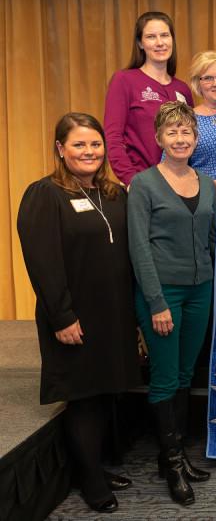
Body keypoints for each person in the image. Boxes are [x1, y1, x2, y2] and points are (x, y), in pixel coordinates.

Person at [17, 113, 141, 513]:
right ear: (60, 149)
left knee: (106, 393)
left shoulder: (114, 193)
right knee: (84, 399)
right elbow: (43, 263)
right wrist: (62, 317)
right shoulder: (44, 194)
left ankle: (95, 467)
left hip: (114, 313)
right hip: (75, 315)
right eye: (79, 145)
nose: (89, 152)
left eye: (95, 144)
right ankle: (90, 481)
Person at [128, 102, 216, 506]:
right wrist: (156, 301)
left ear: (196, 139)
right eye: (172, 132)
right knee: (164, 377)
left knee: (184, 374)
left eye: (187, 132)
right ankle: (173, 463)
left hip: (202, 291)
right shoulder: (143, 184)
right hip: (163, 294)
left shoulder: (205, 180)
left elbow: (214, 239)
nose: (180, 139)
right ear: (159, 139)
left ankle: (174, 456)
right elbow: (139, 249)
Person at [105, 11, 193, 185]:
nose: (160, 42)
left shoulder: (182, 88)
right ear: (140, 43)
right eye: (151, 37)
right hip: (144, 184)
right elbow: (113, 137)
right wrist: (132, 180)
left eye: (165, 35)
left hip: (180, 185)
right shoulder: (124, 80)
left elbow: (191, 139)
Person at [186, 50, 216, 189]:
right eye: (208, 78)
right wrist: (204, 186)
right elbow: (172, 170)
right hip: (207, 203)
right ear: (197, 83)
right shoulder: (187, 121)